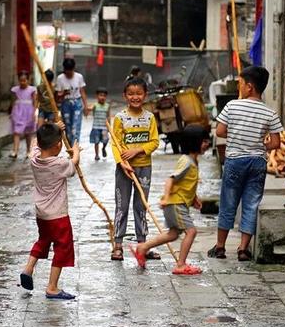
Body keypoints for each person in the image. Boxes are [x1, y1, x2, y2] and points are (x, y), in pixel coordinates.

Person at [208, 66, 283, 262]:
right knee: (251, 204)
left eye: (240, 83)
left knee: (228, 203)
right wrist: (261, 143)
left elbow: (220, 132)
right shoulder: (270, 112)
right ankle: (243, 249)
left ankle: (221, 247)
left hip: (235, 161)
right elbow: (275, 143)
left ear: (249, 87)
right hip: (257, 162)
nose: (239, 87)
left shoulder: (232, 106)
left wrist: (237, 135)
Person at [129, 125, 211, 274]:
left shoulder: (193, 161)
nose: (207, 144)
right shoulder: (186, 161)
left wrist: (194, 199)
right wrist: (166, 198)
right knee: (191, 232)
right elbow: (171, 179)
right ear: (194, 142)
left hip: (178, 203)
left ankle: (143, 247)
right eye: (204, 141)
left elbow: (185, 184)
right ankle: (181, 265)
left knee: (173, 234)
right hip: (175, 203)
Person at [19, 121, 80, 300]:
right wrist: (76, 151)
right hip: (58, 216)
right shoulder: (60, 163)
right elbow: (73, 165)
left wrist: (54, 127)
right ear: (59, 145)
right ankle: (52, 287)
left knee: (43, 240)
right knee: (62, 247)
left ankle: (28, 268)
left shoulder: (34, 159)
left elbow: (34, 146)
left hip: (42, 214)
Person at [110, 77, 160, 261]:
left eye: (139, 93)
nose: (135, 97)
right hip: (124, 169)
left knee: (141, 207)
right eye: (131, 93)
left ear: (145, 95)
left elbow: (155, 141)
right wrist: (121, 162)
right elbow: (115, 143)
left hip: (144, 168)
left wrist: (137, 150)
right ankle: (117, 246)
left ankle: (143, 246)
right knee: (121, 206)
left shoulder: (150, 118)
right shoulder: (120, 118)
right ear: (125, 96)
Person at [56, 58, 88, 145]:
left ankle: (75, 147)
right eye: (67, 70)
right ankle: (70, 147)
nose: (69, 72)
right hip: (66, 104)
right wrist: (63, 94)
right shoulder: (60, 78)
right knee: (68, 128)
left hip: (77, 103)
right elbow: (57, 96)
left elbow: (82, 92)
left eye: (70, 70)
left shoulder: (79, 77)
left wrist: (86, 106)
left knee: (76, 127)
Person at [9, 71, 37, 159]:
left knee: (28, 133)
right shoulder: (15, 90)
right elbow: (12, 101)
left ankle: (28, 151)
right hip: (18, 111)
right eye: (21, 80)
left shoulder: (32, 90)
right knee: (16, 132)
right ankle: (15, 150)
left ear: (28, 80)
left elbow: (35, 101)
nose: (22, 82)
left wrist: (34, 112)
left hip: (28, 112)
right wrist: (11, 112)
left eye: (24, 80)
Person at [89, 87, 111, 161]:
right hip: (96, 127)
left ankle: (104, 148)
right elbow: (91, 108)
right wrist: (88, 109)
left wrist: (109, 127)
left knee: (106, 140)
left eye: (104, 96)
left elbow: (108, 116)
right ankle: (97, 155)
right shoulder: (95, 105)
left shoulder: (107, 106)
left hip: (104, 127)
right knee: (96, 141)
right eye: (100, 95)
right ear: (97, 96)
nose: (102, 97)